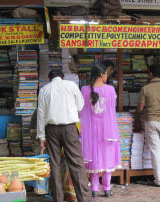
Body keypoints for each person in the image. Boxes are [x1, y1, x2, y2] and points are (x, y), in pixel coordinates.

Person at [37, 70, 92, 202]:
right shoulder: (71, 85)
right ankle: (84, 198)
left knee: (54, 164)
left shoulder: (44, 90)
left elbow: (41, 114)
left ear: (50, 78)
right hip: (69, 128)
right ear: (62, 77)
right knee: (76, 163)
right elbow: (80, 106)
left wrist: (41, 137)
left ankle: (58, 199)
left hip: (51, 130)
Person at [80, 64, 121, 197]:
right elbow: (111, 111)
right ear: (102, 74)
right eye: (106, 74)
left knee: (94, 159)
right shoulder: (110, 90)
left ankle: (94, 189)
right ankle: (107, 188)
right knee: (107, 157)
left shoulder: (84, 90)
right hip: (107, 130)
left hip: (90, 131)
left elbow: (81, 111)